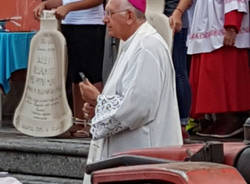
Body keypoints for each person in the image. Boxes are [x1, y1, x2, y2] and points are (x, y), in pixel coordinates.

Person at [80, 0, 183, 159]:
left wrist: (98, 100)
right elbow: (126, 98)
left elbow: (138, 108)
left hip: (144, 153)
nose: (104, 19)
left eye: (110, 13)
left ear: (129, 16)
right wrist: (98, 109)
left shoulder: (147, 47)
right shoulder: (133, 43)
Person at [33, 0, 105, 137]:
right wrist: (46, 4)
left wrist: (68, 8)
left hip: (90, 25)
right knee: (75, 75)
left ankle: (93, 122)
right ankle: (79, 121)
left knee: (91, 75)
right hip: (69, 25)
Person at [187, 0, 250, 138]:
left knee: (219, 74)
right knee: (209, 76)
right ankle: (218, 119)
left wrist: (232, 26)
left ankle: (230, 118)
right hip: (208, 23)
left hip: (222, 29)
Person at [164, 0, 192, 139]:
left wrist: (178, 12)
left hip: (172, 19)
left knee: (178, 71)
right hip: (152, 18)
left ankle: (182, 123)